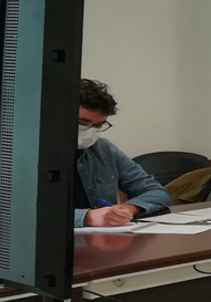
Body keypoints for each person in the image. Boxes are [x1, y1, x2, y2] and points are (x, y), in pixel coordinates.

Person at [72, 79, 170, 228]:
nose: (90, 131)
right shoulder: (34, 153)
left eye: (98, 125)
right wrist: (86, 217)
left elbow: (155, 191)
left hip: (101, 238)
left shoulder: (105, 150)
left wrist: (129, 208)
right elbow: (32, 213)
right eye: (82, 123)